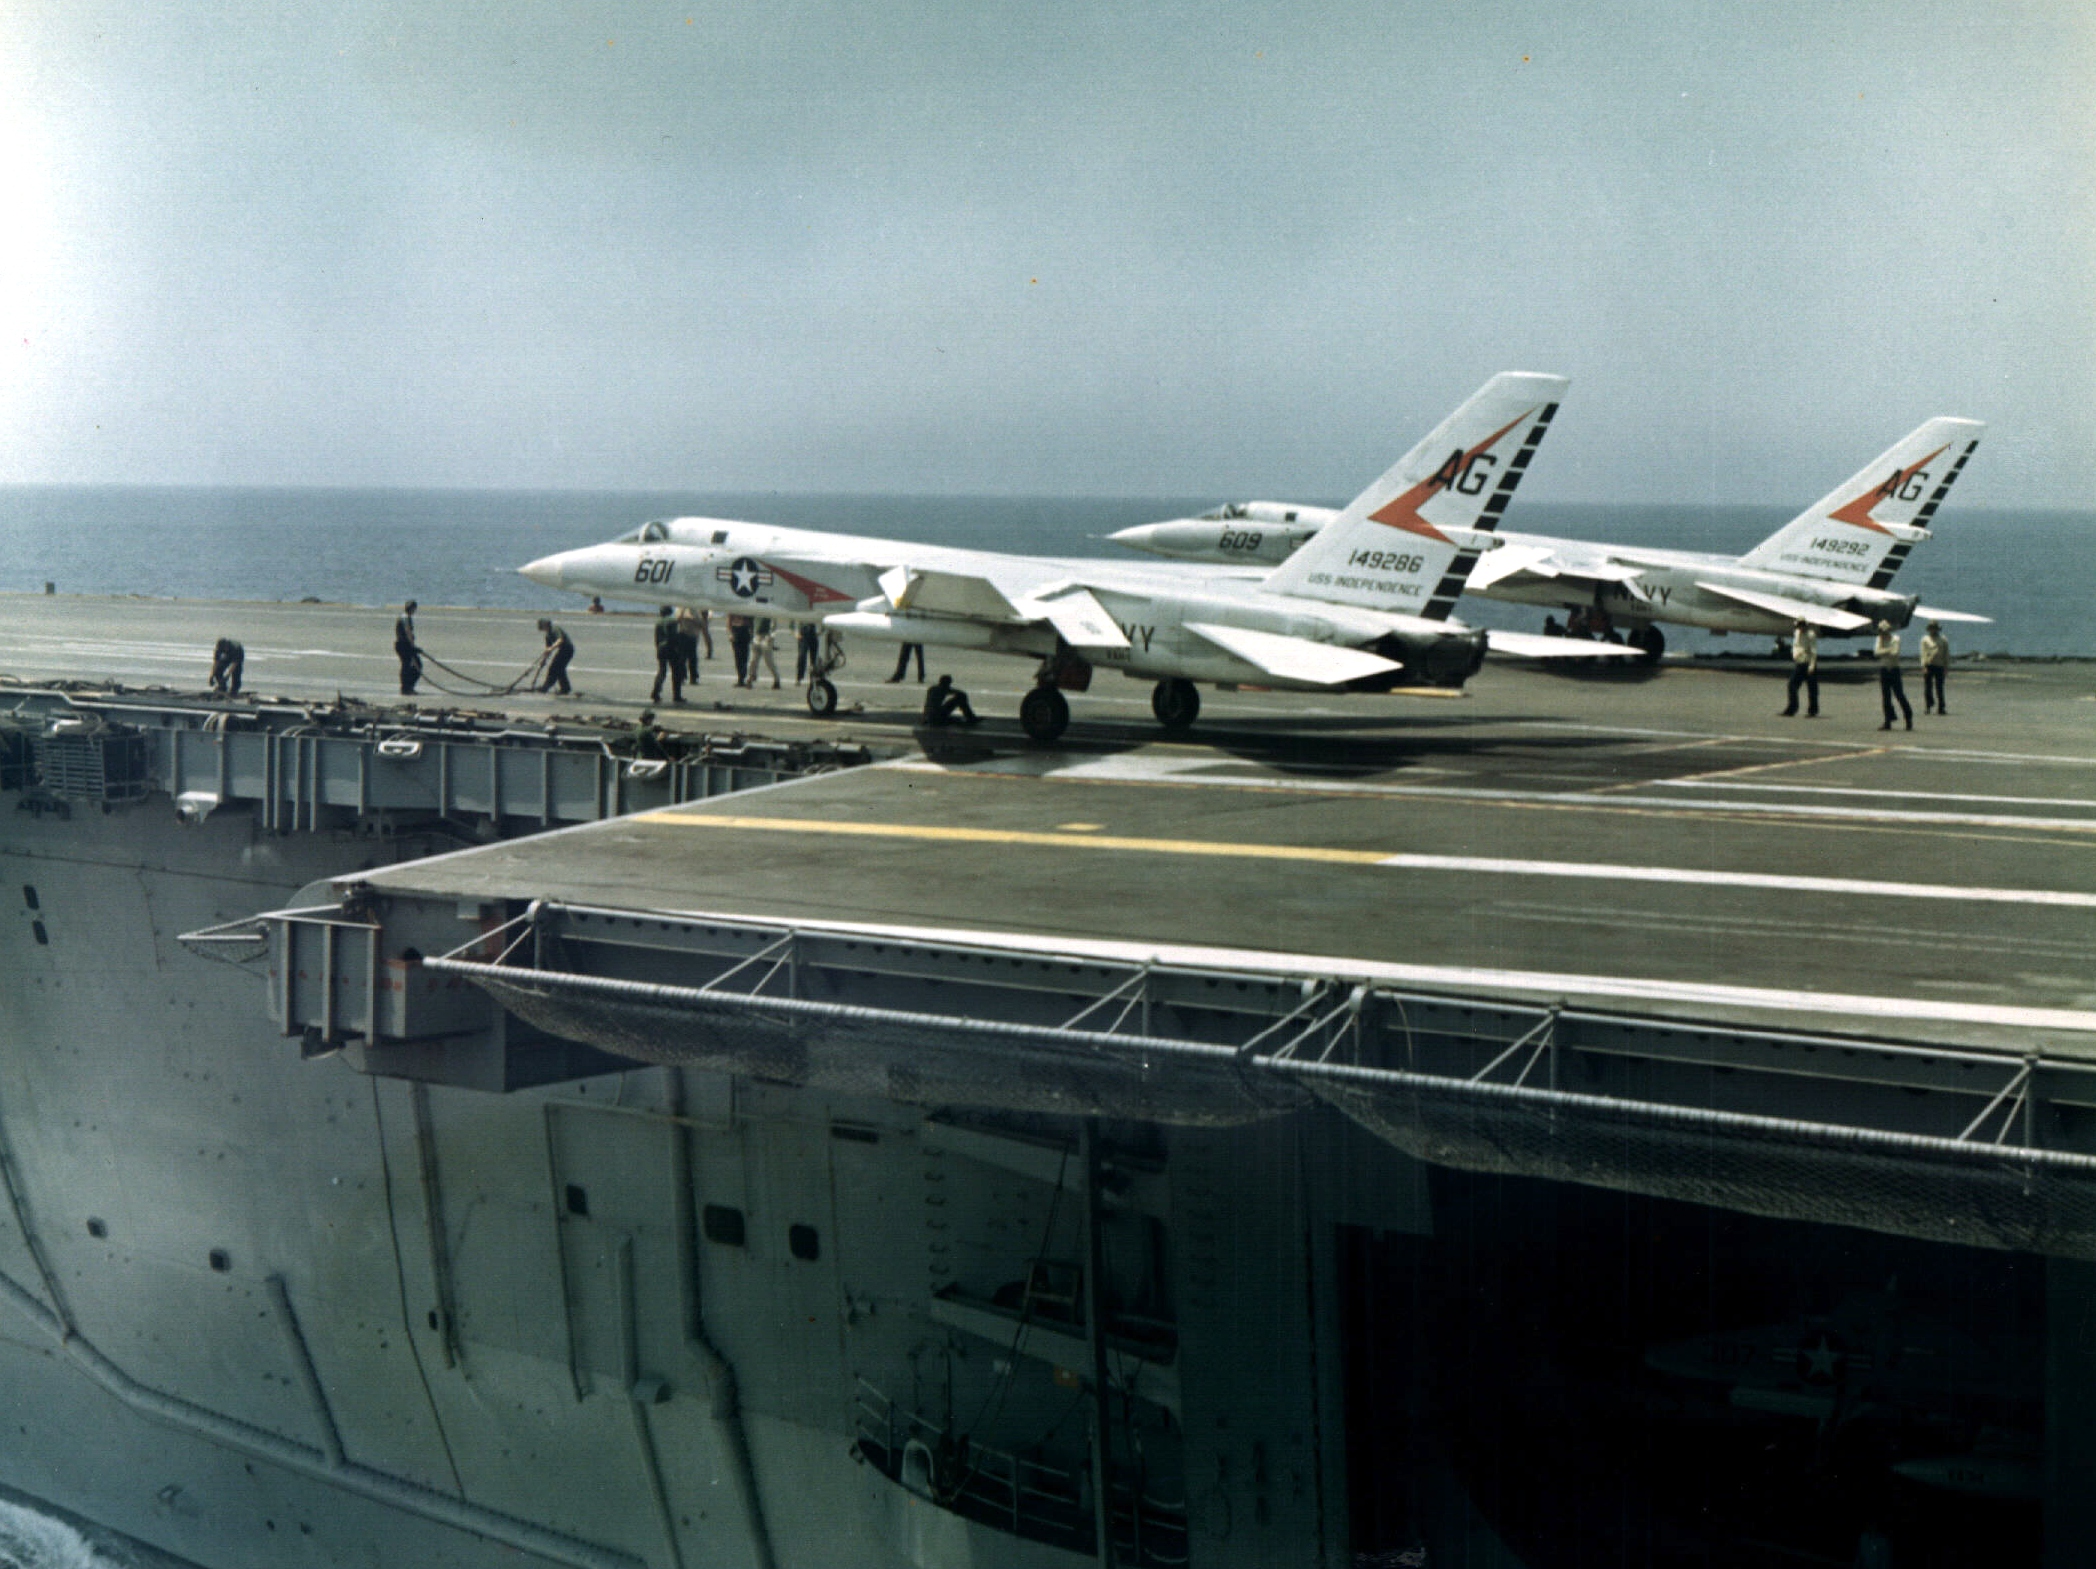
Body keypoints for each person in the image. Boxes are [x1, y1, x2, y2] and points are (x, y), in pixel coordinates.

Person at [1873, 620, 1912, 731]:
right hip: (1884, 670)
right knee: (1886, 697)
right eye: (1881, 631)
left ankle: (1908, 717)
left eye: (1884, 631)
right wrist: (1888, 650)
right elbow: (1876, 652)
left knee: (1899, 695)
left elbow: (1895, 653)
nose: (1882, 634)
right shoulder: (1879, 640)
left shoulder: (1896, 639)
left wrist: (1884, 651)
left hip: (1894, 670)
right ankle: (1888, 721)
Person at [1780, 618, 1819, 718]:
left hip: (1808, 663)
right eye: (1798, 626)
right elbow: (1796, 645)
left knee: (1812, 689)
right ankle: (1792, 708)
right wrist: (1794, 654)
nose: (1800, 628)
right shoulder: (1797, 633)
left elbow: (1813, 651)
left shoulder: (1811, 635)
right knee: (1792, 685)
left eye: (1801, 626)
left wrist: (1812, 665)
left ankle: (1813, 710)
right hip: (1800, 663)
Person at [651, 606, 684, 703]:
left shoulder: (658, 622)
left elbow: (656, 639)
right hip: (671, 648)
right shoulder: (672, 621)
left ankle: (656, 692)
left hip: (661, 648)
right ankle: (677, 695)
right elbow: (673, 636)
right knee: (676, 672)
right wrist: (678, 648)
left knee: (662, 671)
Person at [536, 617, 575, 695]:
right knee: (560, 669)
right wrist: (544, 660)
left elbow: (560, 640)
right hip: (562, 650)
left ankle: (546, 687)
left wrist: (551, 648)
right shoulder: (547, 635)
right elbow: (548, 650)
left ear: (545, 625)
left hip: (567, 649)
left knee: (554, 668)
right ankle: (565, 688)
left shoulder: (555, 629)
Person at [1920, 620, 1950, 715]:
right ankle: (1928, 706)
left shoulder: (1943, 639)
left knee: (1939, 687)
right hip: (1929, 665)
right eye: (1932, 628)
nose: (1933, 630)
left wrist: (1946, 667)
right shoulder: (1925, 639)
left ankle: (1941, 707)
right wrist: (1923, 666)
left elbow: (1946, 654)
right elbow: (1923, 653)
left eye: (1935, 628)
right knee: (1928, 687)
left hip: (1939, 665)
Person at [393, 600, 421, 696]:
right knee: (414, 666)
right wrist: (413, 647)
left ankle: (407, 687)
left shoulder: (403, 617)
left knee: (408, 666)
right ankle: (407, 688)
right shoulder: (406, 618)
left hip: (401, 645)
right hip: (404, 646)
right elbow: (408, 632)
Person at [748, 618, 783, 689]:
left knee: (769, 661)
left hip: (766, 637)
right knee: (753, 660)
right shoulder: (756, 612)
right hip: (756, 637)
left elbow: (773, 625)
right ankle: (751, 677)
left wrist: (771, 637)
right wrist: (751, 636)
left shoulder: (768, 612)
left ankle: (777, 679)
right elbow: (752, 623)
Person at [675, 607, 703, 686]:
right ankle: (682, 677)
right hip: (682, 635)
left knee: (693, 658)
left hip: (692, 636)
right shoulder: (680, 609)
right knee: (682, 658)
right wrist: (682, 613)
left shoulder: (696, 610)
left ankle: (693, 677)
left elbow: (701, 623)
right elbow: (676, 620)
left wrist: (693, 618)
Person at [726, 614, 753, 687]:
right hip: (736, 629)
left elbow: (751, 621)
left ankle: (742, 677)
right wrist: (730, 634)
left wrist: (751, 633)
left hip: (744, 630)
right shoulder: (734, 608)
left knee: (744, 656)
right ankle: (740, 678)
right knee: (738, 657)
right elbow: (729, 621)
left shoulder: (747, 609)